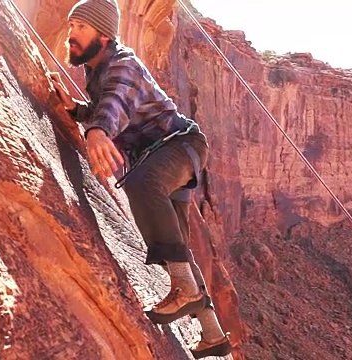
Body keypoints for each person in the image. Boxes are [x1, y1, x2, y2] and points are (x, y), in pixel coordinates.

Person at [49, 0, 232, 357]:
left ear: (103, 35)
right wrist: (78, 111)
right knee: (176, 246)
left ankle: (187, 292)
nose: (71, 34)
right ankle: (214, 336)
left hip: (179, 147)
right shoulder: (97, 69)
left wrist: (99, 130)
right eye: (71, 26)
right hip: (162, 154)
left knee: (141, 184)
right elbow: (113, 108)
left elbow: (116, 101)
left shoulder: (122, 64)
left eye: (81, 28)